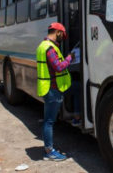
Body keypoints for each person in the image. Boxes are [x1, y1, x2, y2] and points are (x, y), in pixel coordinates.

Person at [36, 22, 73, 161]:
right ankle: (49, 151)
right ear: (57, 32)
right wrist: (70, 58)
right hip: (52, 89)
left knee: (48, 120)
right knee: (49, 121)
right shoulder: (50, 48)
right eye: (62, 35)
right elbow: (58, 67)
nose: (62, 38)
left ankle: (49, 149)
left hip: (47, 87)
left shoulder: (42, 45)